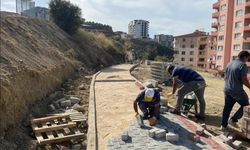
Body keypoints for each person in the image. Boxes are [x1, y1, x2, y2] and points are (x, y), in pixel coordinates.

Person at [221, 51, 250, 130]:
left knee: (227, 107)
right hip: (236, 91)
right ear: (245, 57)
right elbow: (244, 80)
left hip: (227, 89)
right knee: (246, 106)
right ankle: (233, 119)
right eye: (248, 58)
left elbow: (225, 76)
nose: (247, 60)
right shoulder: (242, 65)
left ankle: (223, 125)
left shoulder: (229, 63)